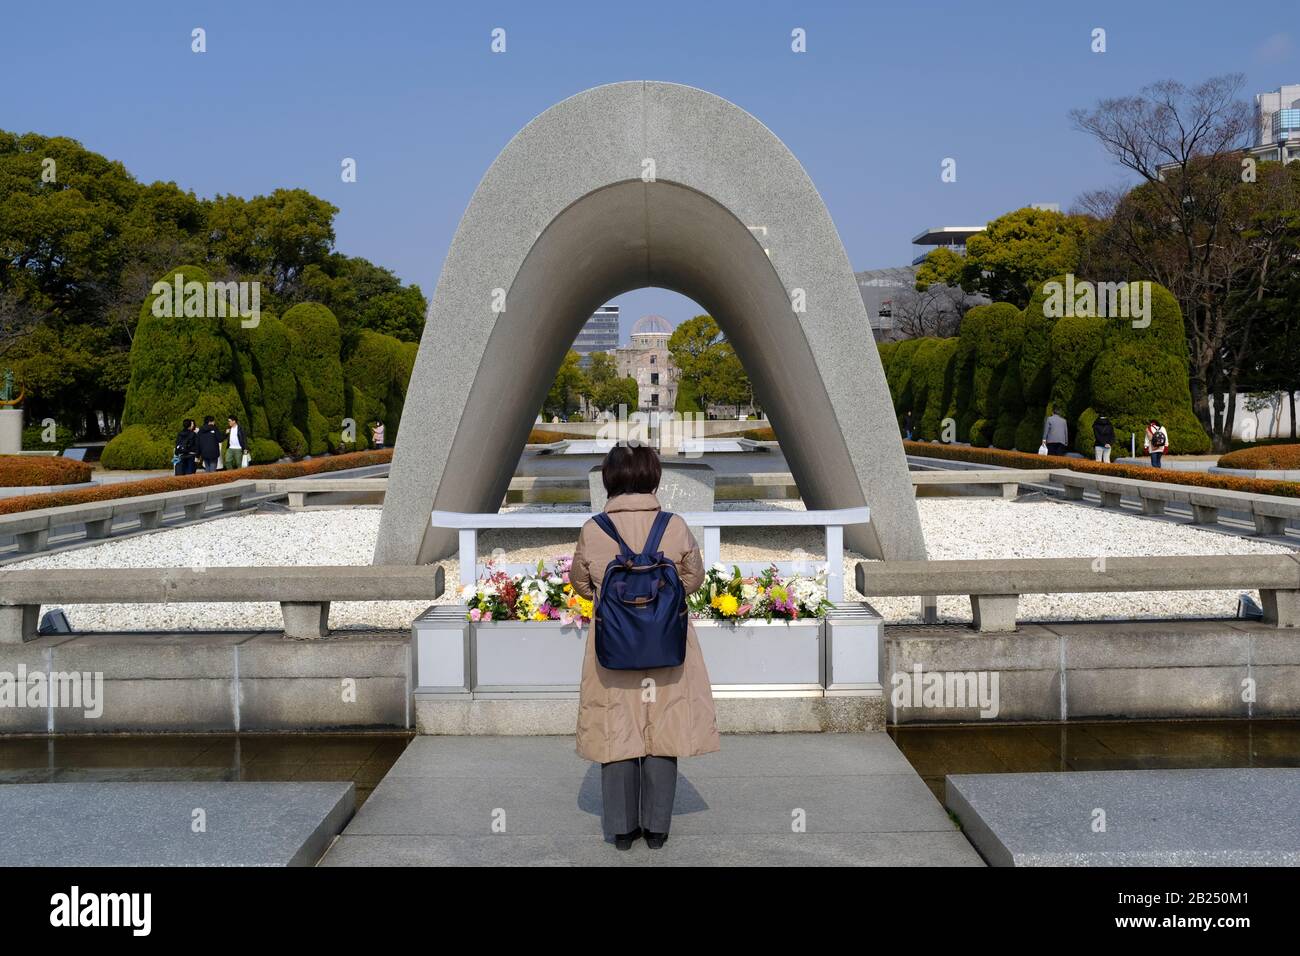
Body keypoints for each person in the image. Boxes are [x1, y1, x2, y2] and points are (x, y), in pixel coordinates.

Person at [570, 445, 720, 851]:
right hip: (666, 642)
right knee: (663, 726)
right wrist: (658, 604)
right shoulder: (673, 525)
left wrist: (613, 601)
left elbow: (581, 584)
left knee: (614, 726)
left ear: (610, 479)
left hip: (613, 645)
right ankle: (656, 828)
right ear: (653, 478)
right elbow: (694, 578)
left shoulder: (593, 528)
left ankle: (621, 830)